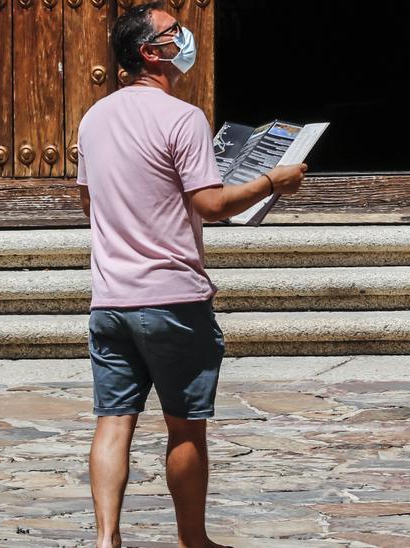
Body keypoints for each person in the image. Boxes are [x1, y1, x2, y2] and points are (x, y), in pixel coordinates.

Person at [76, 3, 308, 547]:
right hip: (173, 297)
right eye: (173, 32)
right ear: (149, 53)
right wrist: (273, 179)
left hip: (110, 299)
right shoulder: (183, 118)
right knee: (184, 427)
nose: (186, 38)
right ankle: (192, 540)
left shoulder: (93, 118)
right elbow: (211, 204)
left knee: (113, 420)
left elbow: (89, 200)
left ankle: (106, 539)